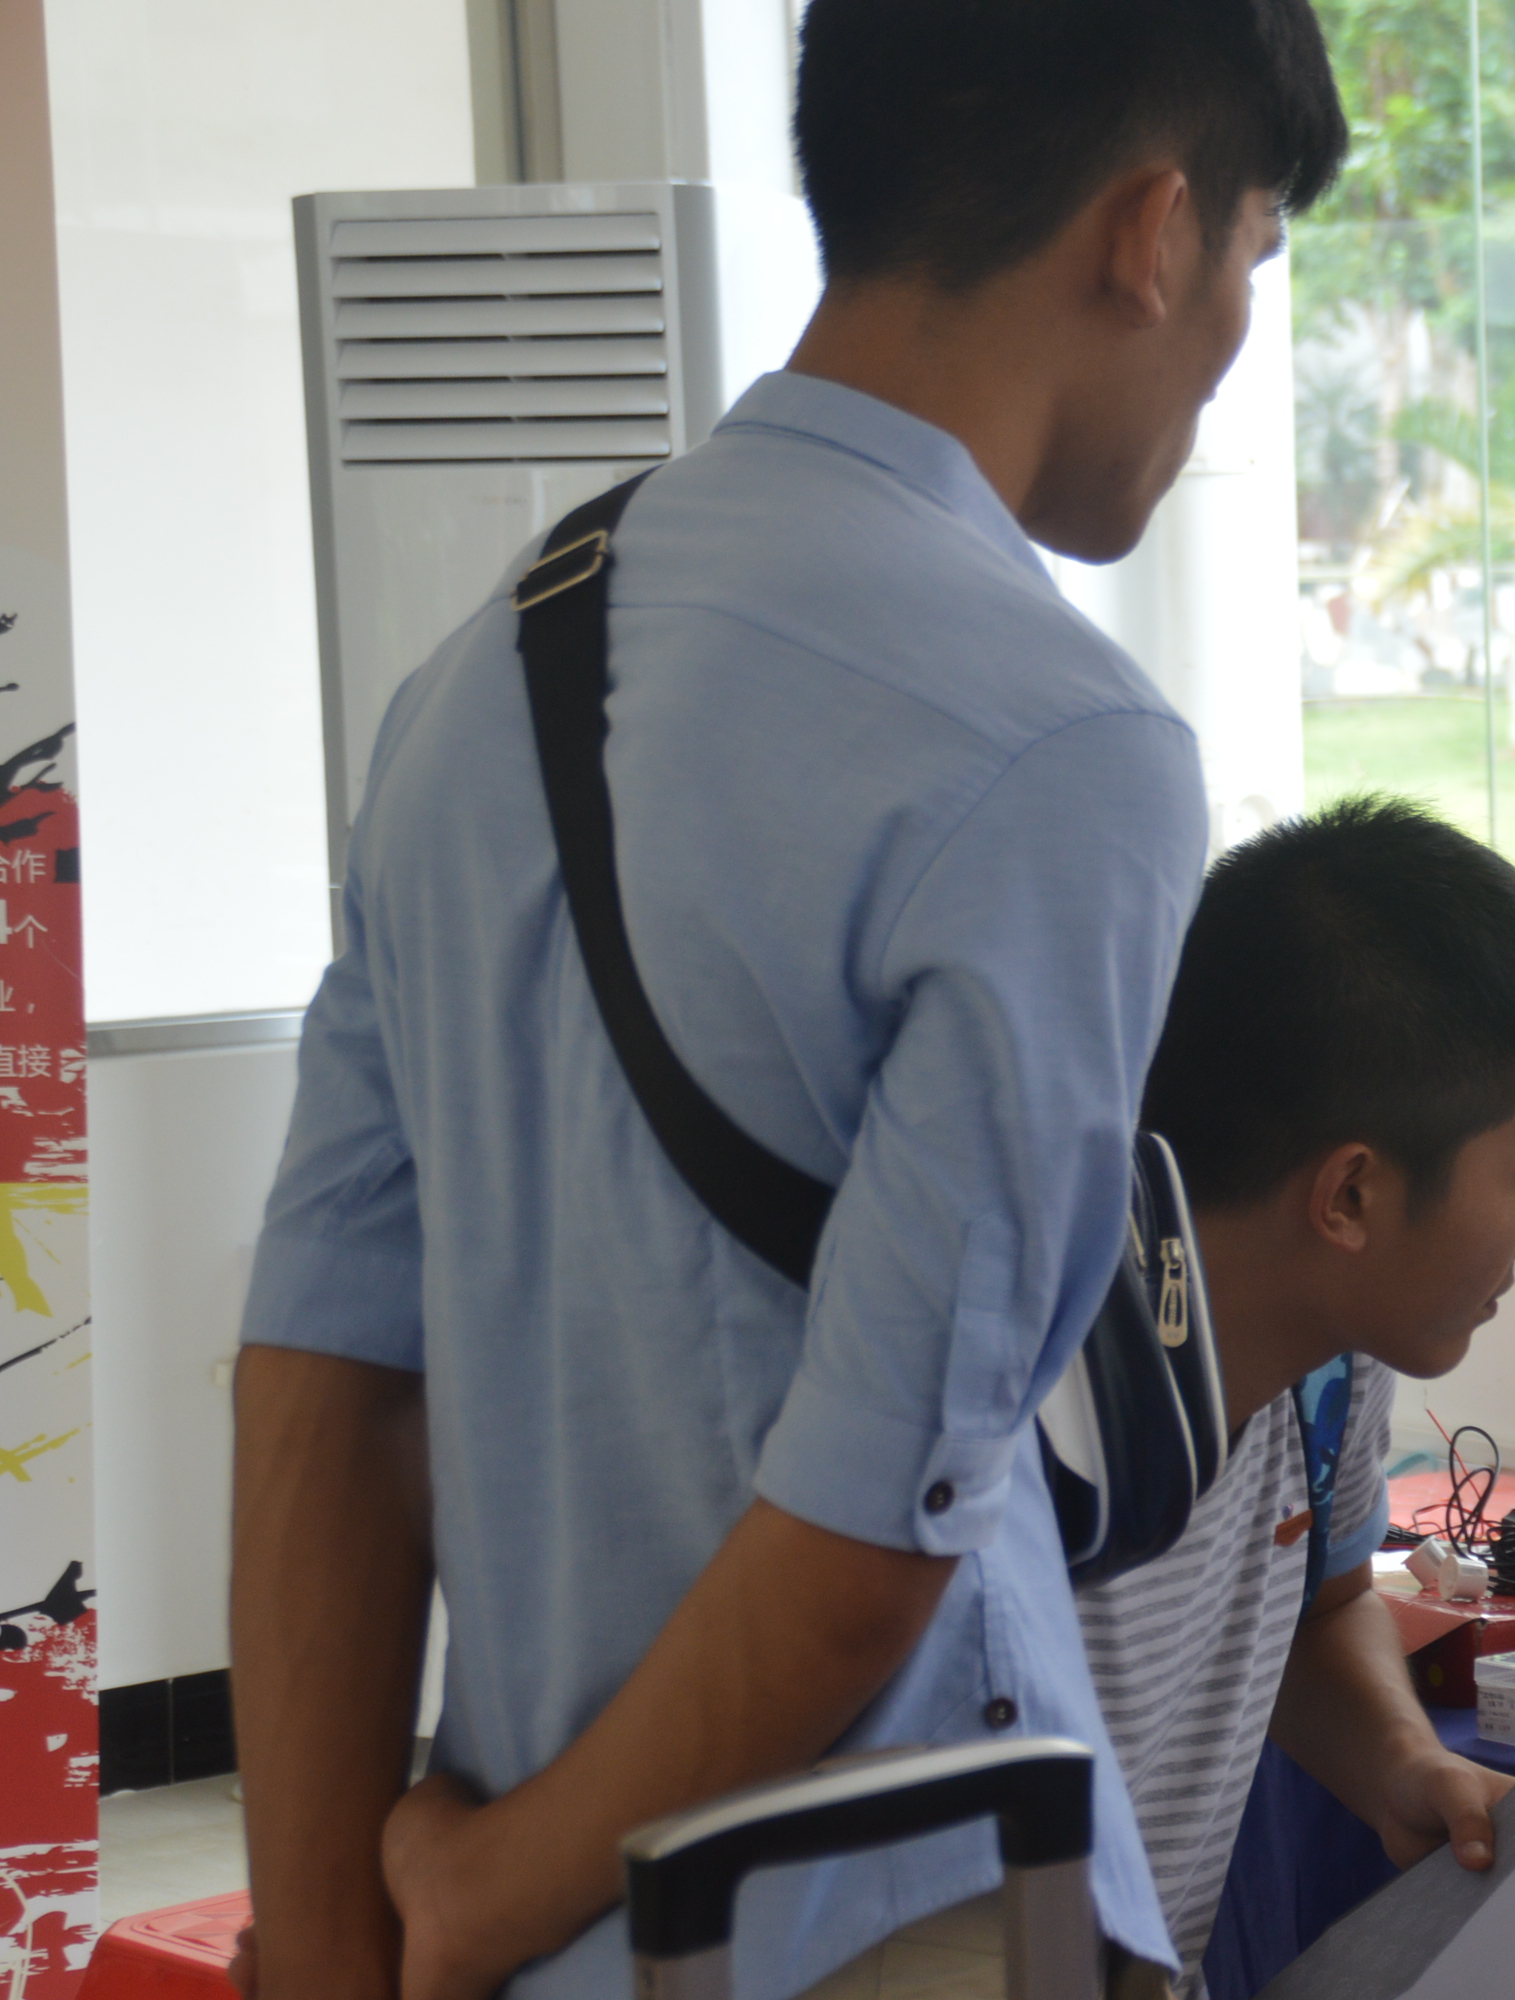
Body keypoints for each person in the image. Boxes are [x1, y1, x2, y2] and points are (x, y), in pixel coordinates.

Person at [225, 5, 1345, 1996]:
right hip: (889, 1910)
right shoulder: (1065, 736)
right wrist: (489, 1894)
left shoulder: (485, 676)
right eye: (1253, 257)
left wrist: (335, 1946)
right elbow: (873, 1523)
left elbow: (325, 1377)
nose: (1229, 342)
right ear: (1152, 230)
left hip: (526, 1915)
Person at [820, 795, 1515, 2000]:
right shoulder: (1020, 1421)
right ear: (1348, 1195)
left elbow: (1321, 1605)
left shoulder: (1334, 1359)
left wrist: (1398, 1760)